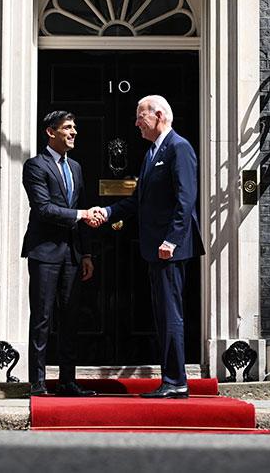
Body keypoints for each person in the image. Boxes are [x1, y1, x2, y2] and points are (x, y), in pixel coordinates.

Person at [96, 95, 204, 399]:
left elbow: (186, 199)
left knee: (170, 314)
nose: (135, 123)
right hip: (156, 247)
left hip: (169, 248)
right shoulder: (152, 152)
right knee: (163, 314)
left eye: (139, 116)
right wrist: (107, 213)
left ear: (158, 115)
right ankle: (172, 378)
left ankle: (176, 381)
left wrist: (172, 239)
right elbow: (137, 200)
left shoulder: (178, 148)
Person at [22, 110, 104, 397]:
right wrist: (82, 214)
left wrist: (87, 255)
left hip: (72, 254)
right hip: (44, 252)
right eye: (68, 127)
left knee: (70, 318)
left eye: (74, 127)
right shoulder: (35, 166)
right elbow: (43, 208)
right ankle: (38, 382)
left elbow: (79, 205)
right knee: (42, 318)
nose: (74, 133)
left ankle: (68, 381)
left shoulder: (76, 168)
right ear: (51, 132)